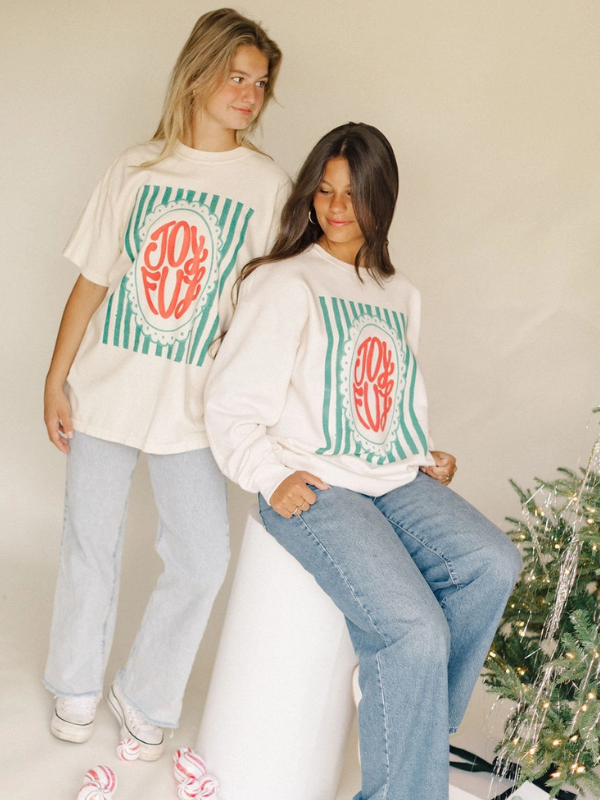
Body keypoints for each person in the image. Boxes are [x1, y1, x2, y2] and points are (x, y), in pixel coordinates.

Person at [204, 122, 522, 799]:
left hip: (392, 477)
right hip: (314, 483)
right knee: (415, 630)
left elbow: (382, 395)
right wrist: (269, 476)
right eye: (325, 191)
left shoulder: (398, 292)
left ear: (383, 198)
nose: (337, 207)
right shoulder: (284, 282)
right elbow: (230, 402)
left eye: (353, 193)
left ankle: (409, 709)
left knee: (492, 562)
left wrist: (417, 450)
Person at [43, 8, 288, 760]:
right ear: (198, 73)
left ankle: (145, 692)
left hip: (194, 407)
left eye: (261, 84)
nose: (248, 95)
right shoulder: (136, 168)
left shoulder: (266, 185)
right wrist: (55, 379)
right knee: (90, 543)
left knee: (202, 558)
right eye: (236, 77)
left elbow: (269, 308)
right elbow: (93, 281)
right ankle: (74, 682)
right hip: (106, 391)